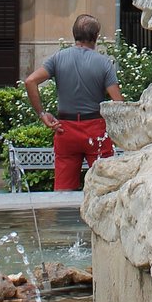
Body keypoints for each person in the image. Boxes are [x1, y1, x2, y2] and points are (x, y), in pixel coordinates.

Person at [24, 14, 124, 191]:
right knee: (105, 188)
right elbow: (119, 103)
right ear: (96, 36)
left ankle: (64, 219)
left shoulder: (58, 58)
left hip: (65, 129)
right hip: (96, 130)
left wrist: (42, 114)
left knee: (62, 192)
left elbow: (30, 81)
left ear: (74, 34)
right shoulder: (104, 63)